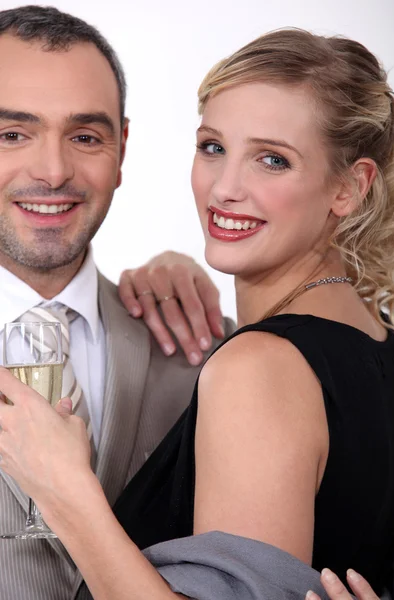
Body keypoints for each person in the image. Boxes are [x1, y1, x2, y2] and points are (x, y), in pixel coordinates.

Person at [1, 25, 394, 600]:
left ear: (350, 187)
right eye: (213, 147)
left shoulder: (237, 363)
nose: (225, 188)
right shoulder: (365, 346)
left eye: (272, 160)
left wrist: (65, 491)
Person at [0, 6, 235, 599]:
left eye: (84, 136)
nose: (53, 171)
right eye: (11, 134)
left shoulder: (213, 354)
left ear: (122, 148)